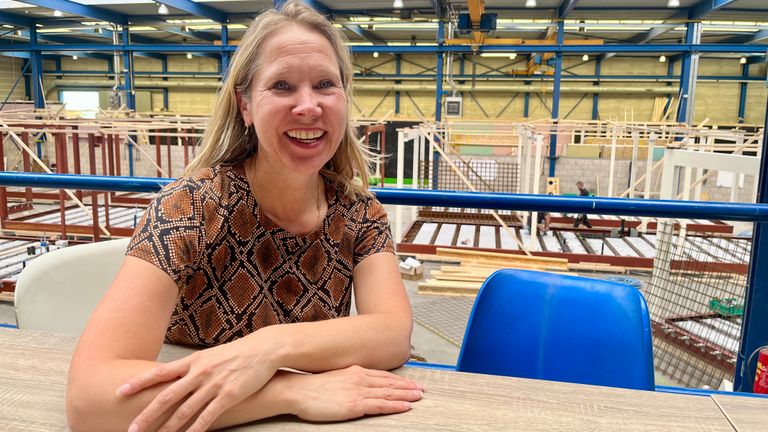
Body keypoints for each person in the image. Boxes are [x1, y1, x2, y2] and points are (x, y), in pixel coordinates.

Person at [66, 2, 420, 431]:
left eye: (325, 84)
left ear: (345, 98)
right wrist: (288, 392)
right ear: (246, 106)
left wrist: (269, 348)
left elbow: (393, 334)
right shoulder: (189, 209)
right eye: (283, 86)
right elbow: (90, 399)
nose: (308, 106)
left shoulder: (360, 214)